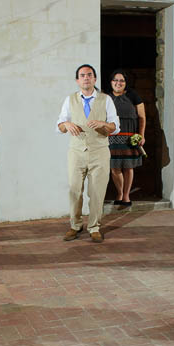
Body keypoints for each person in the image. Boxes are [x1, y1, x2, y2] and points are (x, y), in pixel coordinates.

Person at [56, 64, 119, 243]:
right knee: (75, 190)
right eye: (82, 75)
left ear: (95, 79)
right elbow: (59, 125)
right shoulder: (70, 100)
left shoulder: (105, 100)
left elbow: (115, 126)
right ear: (77, 80)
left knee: (97, 192)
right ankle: (75, 225)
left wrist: (103, 124)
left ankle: (94, 227)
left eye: (89, 75)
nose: (86, 78)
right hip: (76, 152)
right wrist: (66, 124)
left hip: (99, 152)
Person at [107, 70, 145, 207]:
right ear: (111, 82)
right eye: (115, 80)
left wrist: (141, 135)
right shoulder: (106, 98)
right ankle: (119, 193)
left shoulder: (133, 96)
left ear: (126, 83)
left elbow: (142, 117)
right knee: (114, 168)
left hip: (129, 137)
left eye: (121, 80)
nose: (118, 83)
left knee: (128, 167)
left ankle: (126, 195)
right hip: (112, 137)